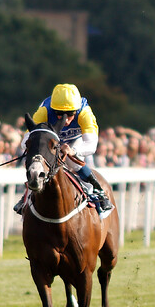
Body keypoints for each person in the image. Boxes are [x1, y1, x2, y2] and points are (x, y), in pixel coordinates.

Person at [14, 83, 113, 216]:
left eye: (70, 114)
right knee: (39, 166)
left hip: (75, 141)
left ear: (76, 110)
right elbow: (26, 139)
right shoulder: (44, 110)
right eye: (59, 114)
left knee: (73, 162)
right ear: (53, 109)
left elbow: (91, 144)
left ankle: (98, 191)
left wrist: (73, 152)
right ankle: (27, 196)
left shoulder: (84, 113)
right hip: (51, 142)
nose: (65, 119)